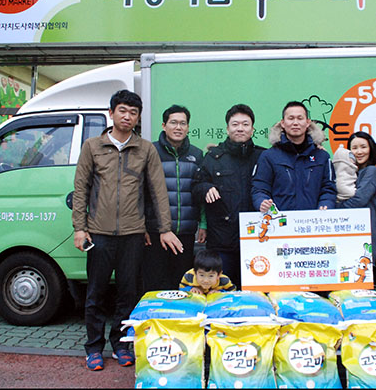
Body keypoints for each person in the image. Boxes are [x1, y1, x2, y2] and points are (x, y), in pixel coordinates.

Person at [72, 90, 182, 371]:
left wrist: (164, 228)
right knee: (95, 294)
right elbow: (81, 189)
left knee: (127, 293)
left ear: (138, 118)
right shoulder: (92, 147)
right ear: (111, 113)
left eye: (133, 112)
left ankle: (121, 345)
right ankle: (93, 348)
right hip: (99, 233)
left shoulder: (145, 149)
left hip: (133, 234)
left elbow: (158, 191)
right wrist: (80, 228)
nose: (127, 116)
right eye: (122, 110)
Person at [192, 104, 264, 289]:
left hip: (258, 241)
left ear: (252, 129)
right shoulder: (213, 157)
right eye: (235, 124)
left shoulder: (264, 157)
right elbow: (196, 186)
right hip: (222, 241)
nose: (240, 128)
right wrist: (206, 188)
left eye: (245, 124)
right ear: (227, 128)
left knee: (255, 294)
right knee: (222, 293)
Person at [143, 105, 205, 291]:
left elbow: (200, 191)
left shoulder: (196, 154)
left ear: (188, 127)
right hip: (155, 232)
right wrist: (142, 227)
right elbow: (140, 192)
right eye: (174, 123)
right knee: (155, 286)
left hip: (185, 231)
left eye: (183, 123)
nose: (178, 127)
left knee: (182, 285)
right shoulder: (150, 151)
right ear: (164, 125)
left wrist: (203, 223)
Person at [252, 101, 337, 213]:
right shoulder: (269, 156)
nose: (295, 123)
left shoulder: (322, 156)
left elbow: (329, 189)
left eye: (300, 118)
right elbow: (259, 188)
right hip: (280, 221)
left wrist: (326, 205)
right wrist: (262, 202)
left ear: (308, 122)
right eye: (291, 118)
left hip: (313, 221)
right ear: (283, 123)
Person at [335, 131, 376, 267]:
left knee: (361, 269)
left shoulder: (372, 171)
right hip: (345, 229)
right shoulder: (345, 173)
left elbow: (359, 200)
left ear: (371, 149)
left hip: (364, 230)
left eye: (363, 147)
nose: (359, 152)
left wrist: (335, 210)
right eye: (354, 148)